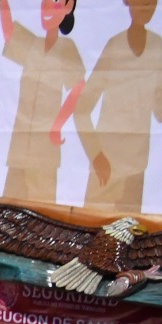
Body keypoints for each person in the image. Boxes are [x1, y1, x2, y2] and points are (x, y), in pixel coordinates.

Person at [74, 0, 161, 212]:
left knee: (129, 232)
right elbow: (81, 109)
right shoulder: (114, 47)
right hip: (105, 170)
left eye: (151, 2)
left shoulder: (159, 49)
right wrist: (96, 155)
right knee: (92, 230)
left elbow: (159, 110)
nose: (146, 6)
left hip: (135, 173)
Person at [0, 0, 85, 201]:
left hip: (44, 153)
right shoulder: (33, 45)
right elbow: (9, 33)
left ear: (68, 7)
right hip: (19, 149)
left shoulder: (67, 49)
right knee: (7, 211)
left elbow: (79, 86)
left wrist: (57, 126)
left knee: (41, 211)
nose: (47, 7)